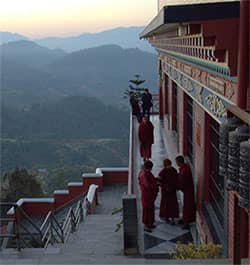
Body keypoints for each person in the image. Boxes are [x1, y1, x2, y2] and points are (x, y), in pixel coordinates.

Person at [175, 156, 196, 229]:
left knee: (188, 206)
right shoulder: (184, 168)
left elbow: (183, 181)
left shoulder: (184, 170)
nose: (177, 164)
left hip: (188, 190)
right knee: (186, 206)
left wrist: (178, 187)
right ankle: (185, 218)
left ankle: (187, 222)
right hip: (187, 190)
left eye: (177, 163)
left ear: (180, 162)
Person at [138, 160, 158, 232]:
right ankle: (146, 225)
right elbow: (148, 185)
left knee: (151, 209)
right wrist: (156, 184)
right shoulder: (144, 175)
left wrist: (156, 179)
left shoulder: (147, 172)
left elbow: (151, 179)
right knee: (146, 209)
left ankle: (150, 223)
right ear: (148, 167)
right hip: (146, 195)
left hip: (150, 195)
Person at [157, 159, 179, 225]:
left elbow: (177, 179)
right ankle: (166, 217)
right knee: (166, 205)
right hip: (165, 192)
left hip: (172, 191)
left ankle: (172, 218)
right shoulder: (162, 172)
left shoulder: (174, 170)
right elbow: (159, 181)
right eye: (167, 165)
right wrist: (164, 187)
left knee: (173, 205)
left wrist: (176, 186)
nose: (168, 166)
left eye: (169, 165)